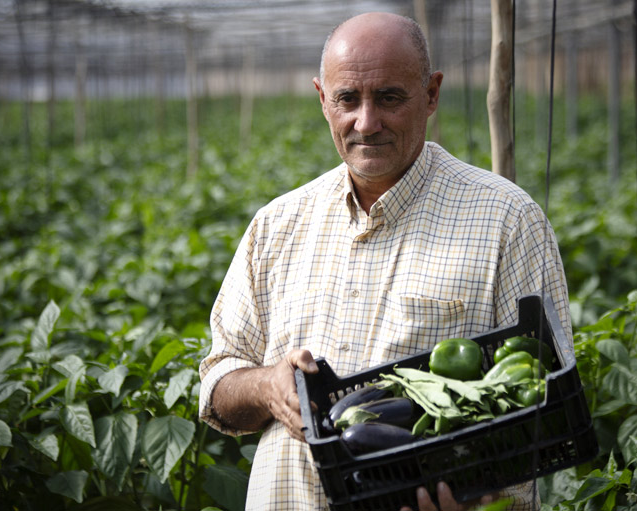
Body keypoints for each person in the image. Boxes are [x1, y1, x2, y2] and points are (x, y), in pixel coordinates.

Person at [199, 11, 572, 511]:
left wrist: (474, 491)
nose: (366, 122)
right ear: (322, 99)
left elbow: (547, 404)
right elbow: (218, 382)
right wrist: (268, 386)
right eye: (347, 99)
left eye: (390, 98)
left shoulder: (508, 220)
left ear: (432, 94)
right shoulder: (277, 225)